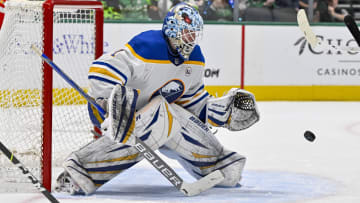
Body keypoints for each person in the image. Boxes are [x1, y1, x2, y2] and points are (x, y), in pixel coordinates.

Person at [55, 3, 260, 195]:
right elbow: (103, 69)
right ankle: (77, 173)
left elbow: (193, 104)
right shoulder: (149, 45)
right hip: (120, 116)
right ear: (172, 30)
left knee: (171, 115)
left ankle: (217, 165)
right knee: (162, 114)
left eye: (194, 34)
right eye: (186, 33)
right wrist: (111, 103)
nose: (190, 39)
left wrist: (222, 111)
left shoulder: (195, 59)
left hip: (161, 118)